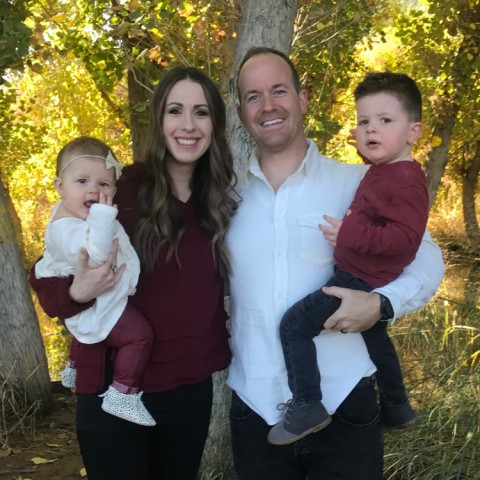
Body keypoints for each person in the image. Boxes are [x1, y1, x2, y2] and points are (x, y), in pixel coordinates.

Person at [226, 46, 444, 479]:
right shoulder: (226, 195)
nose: (268, 105)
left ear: (302, 99)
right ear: (241, 112)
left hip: (346, 402)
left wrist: (381, 303)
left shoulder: (359, 181)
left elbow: (428, 259)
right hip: (255, 405)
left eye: (279, 91)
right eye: (253, 96)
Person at [30, 67, 239, 480]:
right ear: (158, 119)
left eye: (200, 112)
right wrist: (75, 293)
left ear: (215, 123)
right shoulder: (116, 191)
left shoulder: (219, 200)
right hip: (115, 389)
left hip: (190, 386)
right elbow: (45, 271)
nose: (188, 124)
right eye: (175, 110)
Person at [268, 72, 429, 446]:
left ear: (414, 132)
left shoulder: (406, 179)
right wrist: (365, 149)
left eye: (385, 120)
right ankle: (397, 405)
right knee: (376, 339)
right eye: (364, 121)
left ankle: (308, 404)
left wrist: (348, 234)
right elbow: (377, 197)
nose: (371, 129)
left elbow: (405, 240)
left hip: (358, 279)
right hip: (366, 275)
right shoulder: (387, 170)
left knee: (293, 326)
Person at [35, 137, 155, 427]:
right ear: (59, 186)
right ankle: (122, 393)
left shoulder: (74, 214)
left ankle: (72, 367)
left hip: (99, 300)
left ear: (115, 188)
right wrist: (102, 215)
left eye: (104, 184)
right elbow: (97, 255)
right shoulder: (67, 228)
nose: (94, 190)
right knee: (139, 336)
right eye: (82, 181)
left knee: (88, 333)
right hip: (101, 301)